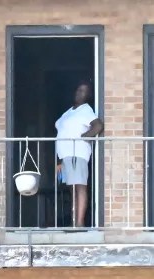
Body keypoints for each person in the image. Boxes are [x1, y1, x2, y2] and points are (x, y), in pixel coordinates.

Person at [55, 80, 104, 228]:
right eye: (78, 90)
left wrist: (83, 138)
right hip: (65, 156)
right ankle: (74, 222)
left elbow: (98, 126)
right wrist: (58, 160)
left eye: (83, 91)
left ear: (88, 95)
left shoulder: (86, 110)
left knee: (80, 186)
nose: (79, 93)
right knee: (72, 188)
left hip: (77, 154)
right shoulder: (69, 111)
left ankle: (80, 223)